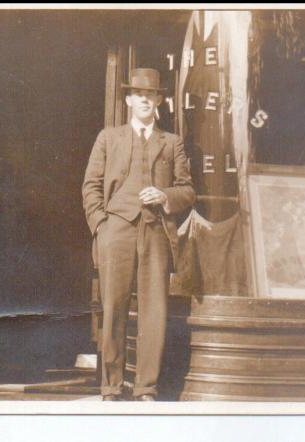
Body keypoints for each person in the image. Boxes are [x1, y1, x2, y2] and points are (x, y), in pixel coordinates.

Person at [82, 68, 195, 401]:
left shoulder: (171, 142)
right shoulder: (108, 138)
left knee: (154, 311)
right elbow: (91, 186)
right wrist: (101, 225)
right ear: (129, 100)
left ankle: (146, 387)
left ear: (159, 100)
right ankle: (111, 386)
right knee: (113, 307)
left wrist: (164, 196)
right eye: (138, 95)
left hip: (156, 231)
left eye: (151, 95)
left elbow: (188, 191)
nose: (145, 100)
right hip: (115, 230)